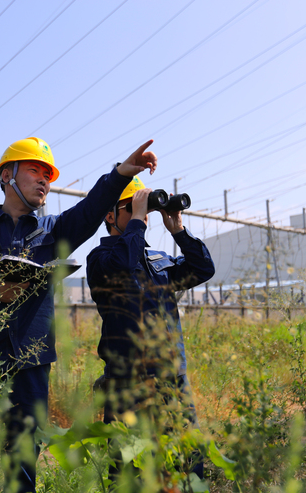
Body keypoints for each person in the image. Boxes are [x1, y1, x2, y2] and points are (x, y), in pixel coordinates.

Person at [0, 137, 158, 492]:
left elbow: (91, 209)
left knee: (21, 460)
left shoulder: (53, 232)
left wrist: (122, 172)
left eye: (47, 175)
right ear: (7, 176)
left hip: (30, 363)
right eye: (35, 170)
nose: (44, 181)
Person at [86, 177, 215, 485]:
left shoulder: (160, 260)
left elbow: (203, 269)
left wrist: (178, 230)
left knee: (187, 465)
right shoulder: (101, 260)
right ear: (109, 215)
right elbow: (122, 263)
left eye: (142, 208)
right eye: (131, 207)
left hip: (173, 381)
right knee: (130, 474)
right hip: (127, 384)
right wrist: (138, 223)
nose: (140, 214)